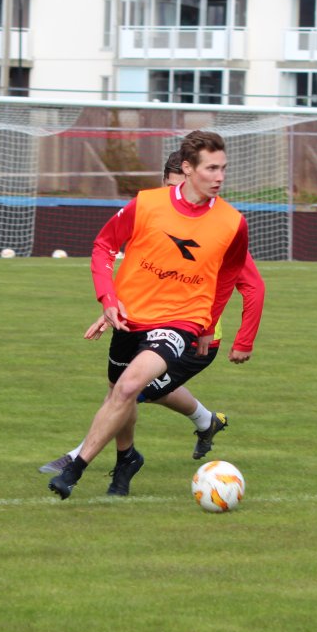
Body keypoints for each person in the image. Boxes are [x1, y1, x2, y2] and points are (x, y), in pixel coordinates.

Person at [48, 131, 249, 499]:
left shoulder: (233, 222)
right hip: (132, 317)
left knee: (129, 386)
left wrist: (207, 323)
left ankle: (74, 470)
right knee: (117, 392)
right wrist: (108, 299)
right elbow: (103, 246)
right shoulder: (146, 204)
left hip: (181, 321)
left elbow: (228, 277)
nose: (220, 177)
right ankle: (127, 458)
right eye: (211, 168)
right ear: (188, 169)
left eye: (223, 168)